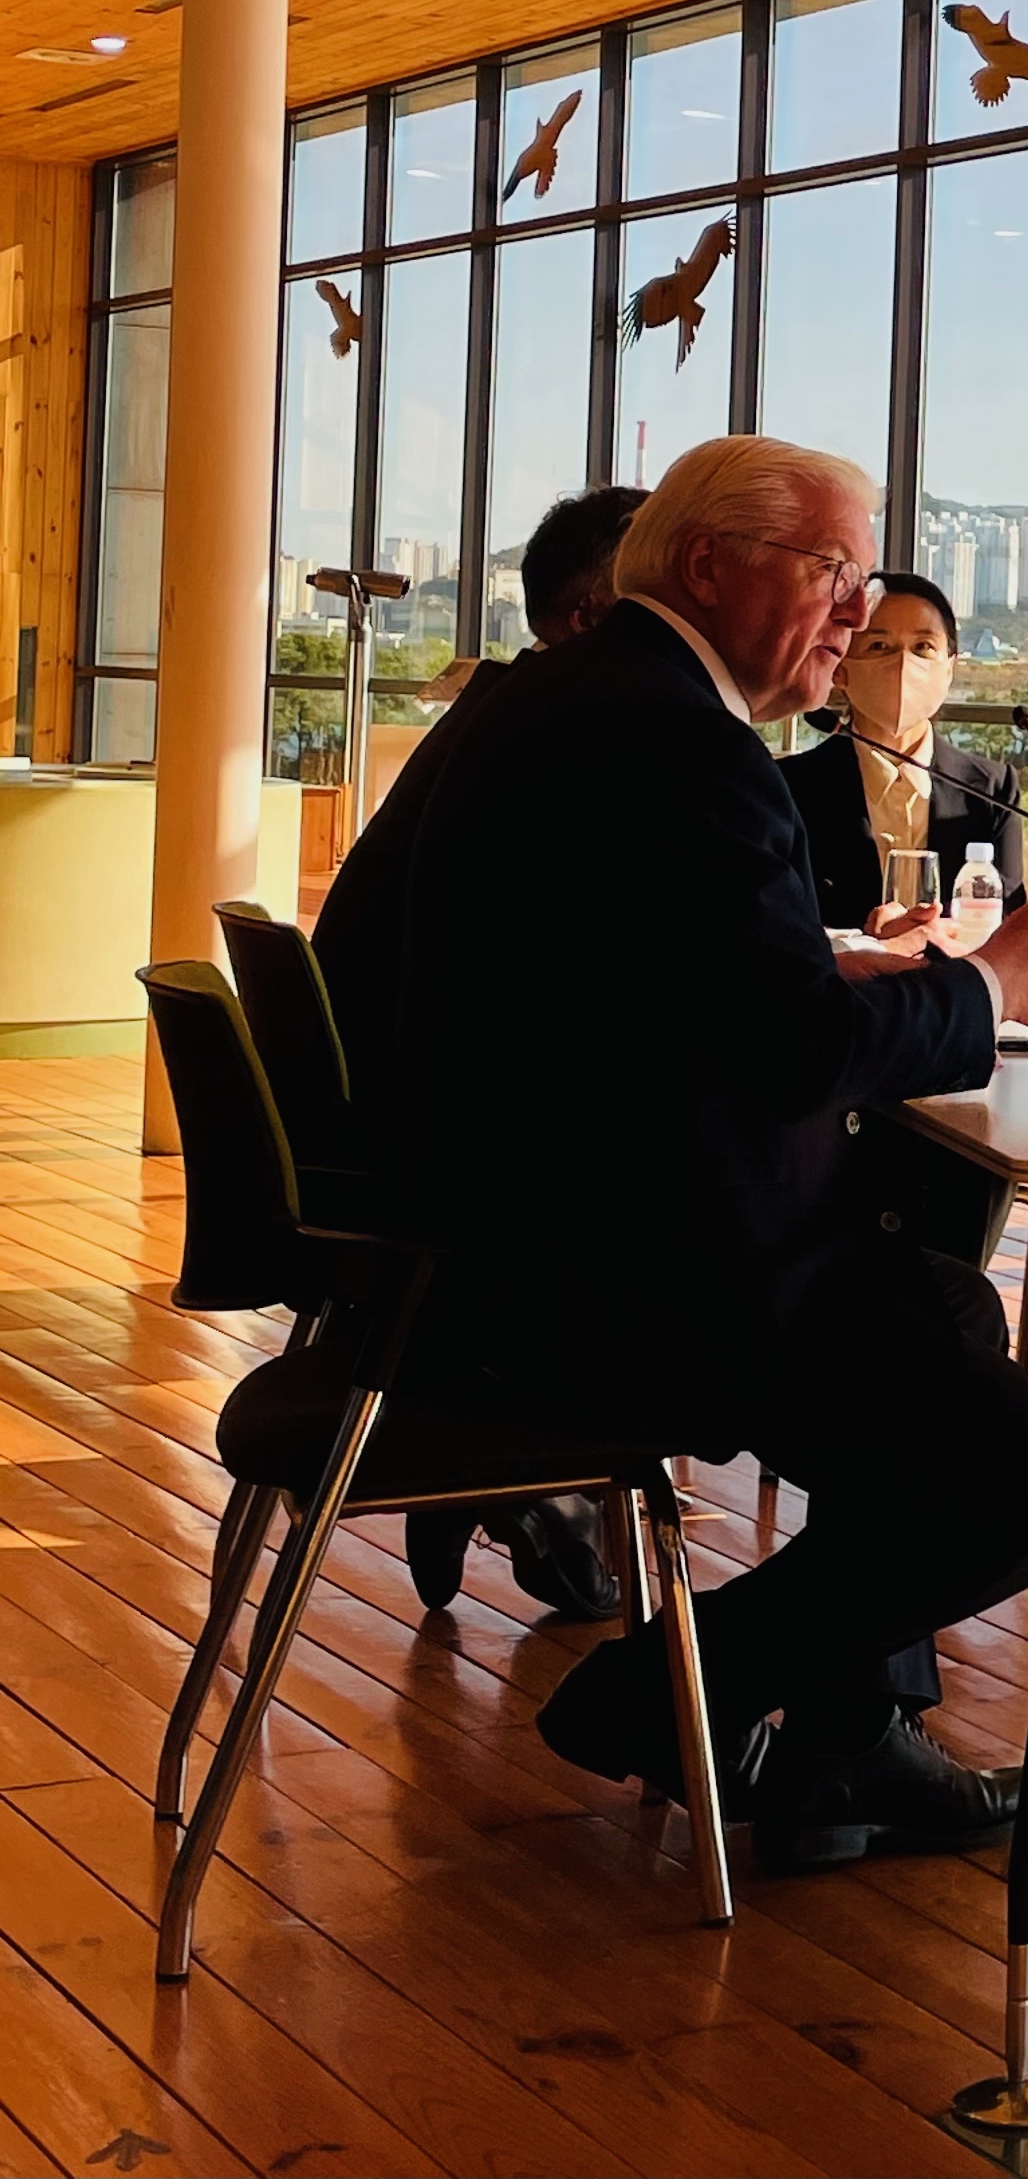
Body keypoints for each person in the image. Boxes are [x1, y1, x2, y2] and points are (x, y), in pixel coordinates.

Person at [396, 436, 1028, 1872]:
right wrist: (991, 990)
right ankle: (666, 1691)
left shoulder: (596, 698)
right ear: (710, 564)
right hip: (609, 1272)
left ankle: (856, 1743)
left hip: (526, 1220)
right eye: (834, 571)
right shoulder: (680, 740)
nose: (858, 613)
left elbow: (691, 991)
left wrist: (847, 981)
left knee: (948, 1309)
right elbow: (795, 1053)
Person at [310, 481, 647, 1625]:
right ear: (599, 614)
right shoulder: (577, 731)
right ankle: (514, 1445)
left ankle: (492, 1437)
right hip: (453, 1180)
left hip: (392, 1136)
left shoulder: (508, 711)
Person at [780, 569, 1027, 933]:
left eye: (923, 647)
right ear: (842, 669)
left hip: (957, 985)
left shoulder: (992, 789)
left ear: (949, 669)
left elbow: (1007, 922)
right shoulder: (792, 786)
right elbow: (779, 925)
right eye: (879, 646)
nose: (903, 664)